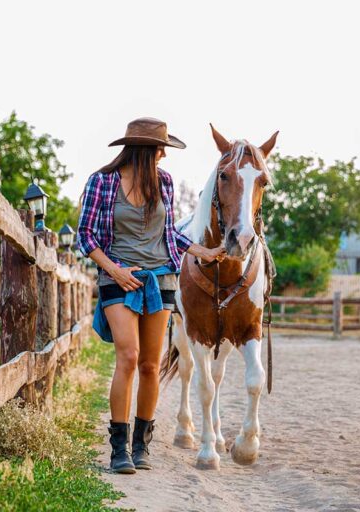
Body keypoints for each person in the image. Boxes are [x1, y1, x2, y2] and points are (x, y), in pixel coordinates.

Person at [77, 117, 225, 474]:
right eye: (161, 149)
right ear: (146, 150)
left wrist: (203, 253)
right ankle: (118, 449)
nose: (164, 156)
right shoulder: (103, 182)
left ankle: (141, 444)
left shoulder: (165, 183)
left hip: (162, 279)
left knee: (149, 365)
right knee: (128, 356)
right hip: (120, 278)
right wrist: (114, 270)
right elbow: (86, 236)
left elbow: (169, 234)